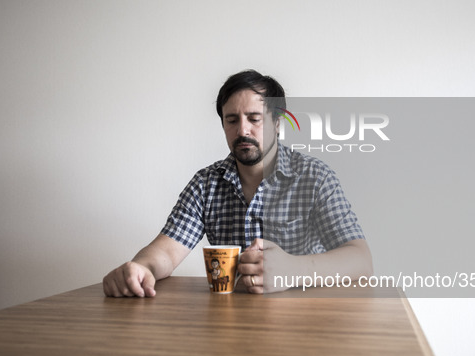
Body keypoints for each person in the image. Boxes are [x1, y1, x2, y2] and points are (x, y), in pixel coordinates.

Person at [103, 70, 372, 297]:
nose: (242, 130)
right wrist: (140, 269)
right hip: (227, 327)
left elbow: (361, 259)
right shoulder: (205, 184)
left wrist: (292, 269)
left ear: (277, 123)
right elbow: (166, 251)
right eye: (232, 120)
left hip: (307, 325)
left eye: (254, 119)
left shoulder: (315, 177)